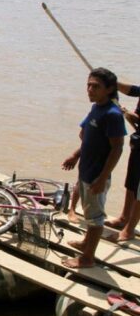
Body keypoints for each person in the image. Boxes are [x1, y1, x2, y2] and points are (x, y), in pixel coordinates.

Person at [61, 67, 125, 268]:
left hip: (97, 175)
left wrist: (102, 177)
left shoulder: (112, 114)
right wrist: (75, 155)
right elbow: (88, 138)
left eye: (96, 86)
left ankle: (87, 258)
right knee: (90, 214)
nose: (89, 89)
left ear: (109, 89)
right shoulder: (97, 107)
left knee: (96, 218)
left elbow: (117, 148)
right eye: (88, 85)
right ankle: (86, 243)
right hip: (86, 171)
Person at [103, 80, 140, 241]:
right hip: (138, 142)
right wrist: (111, 81)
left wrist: (133, 117)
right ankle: (124, 218)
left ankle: (129, 229)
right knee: (131, 182)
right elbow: (133, 90)